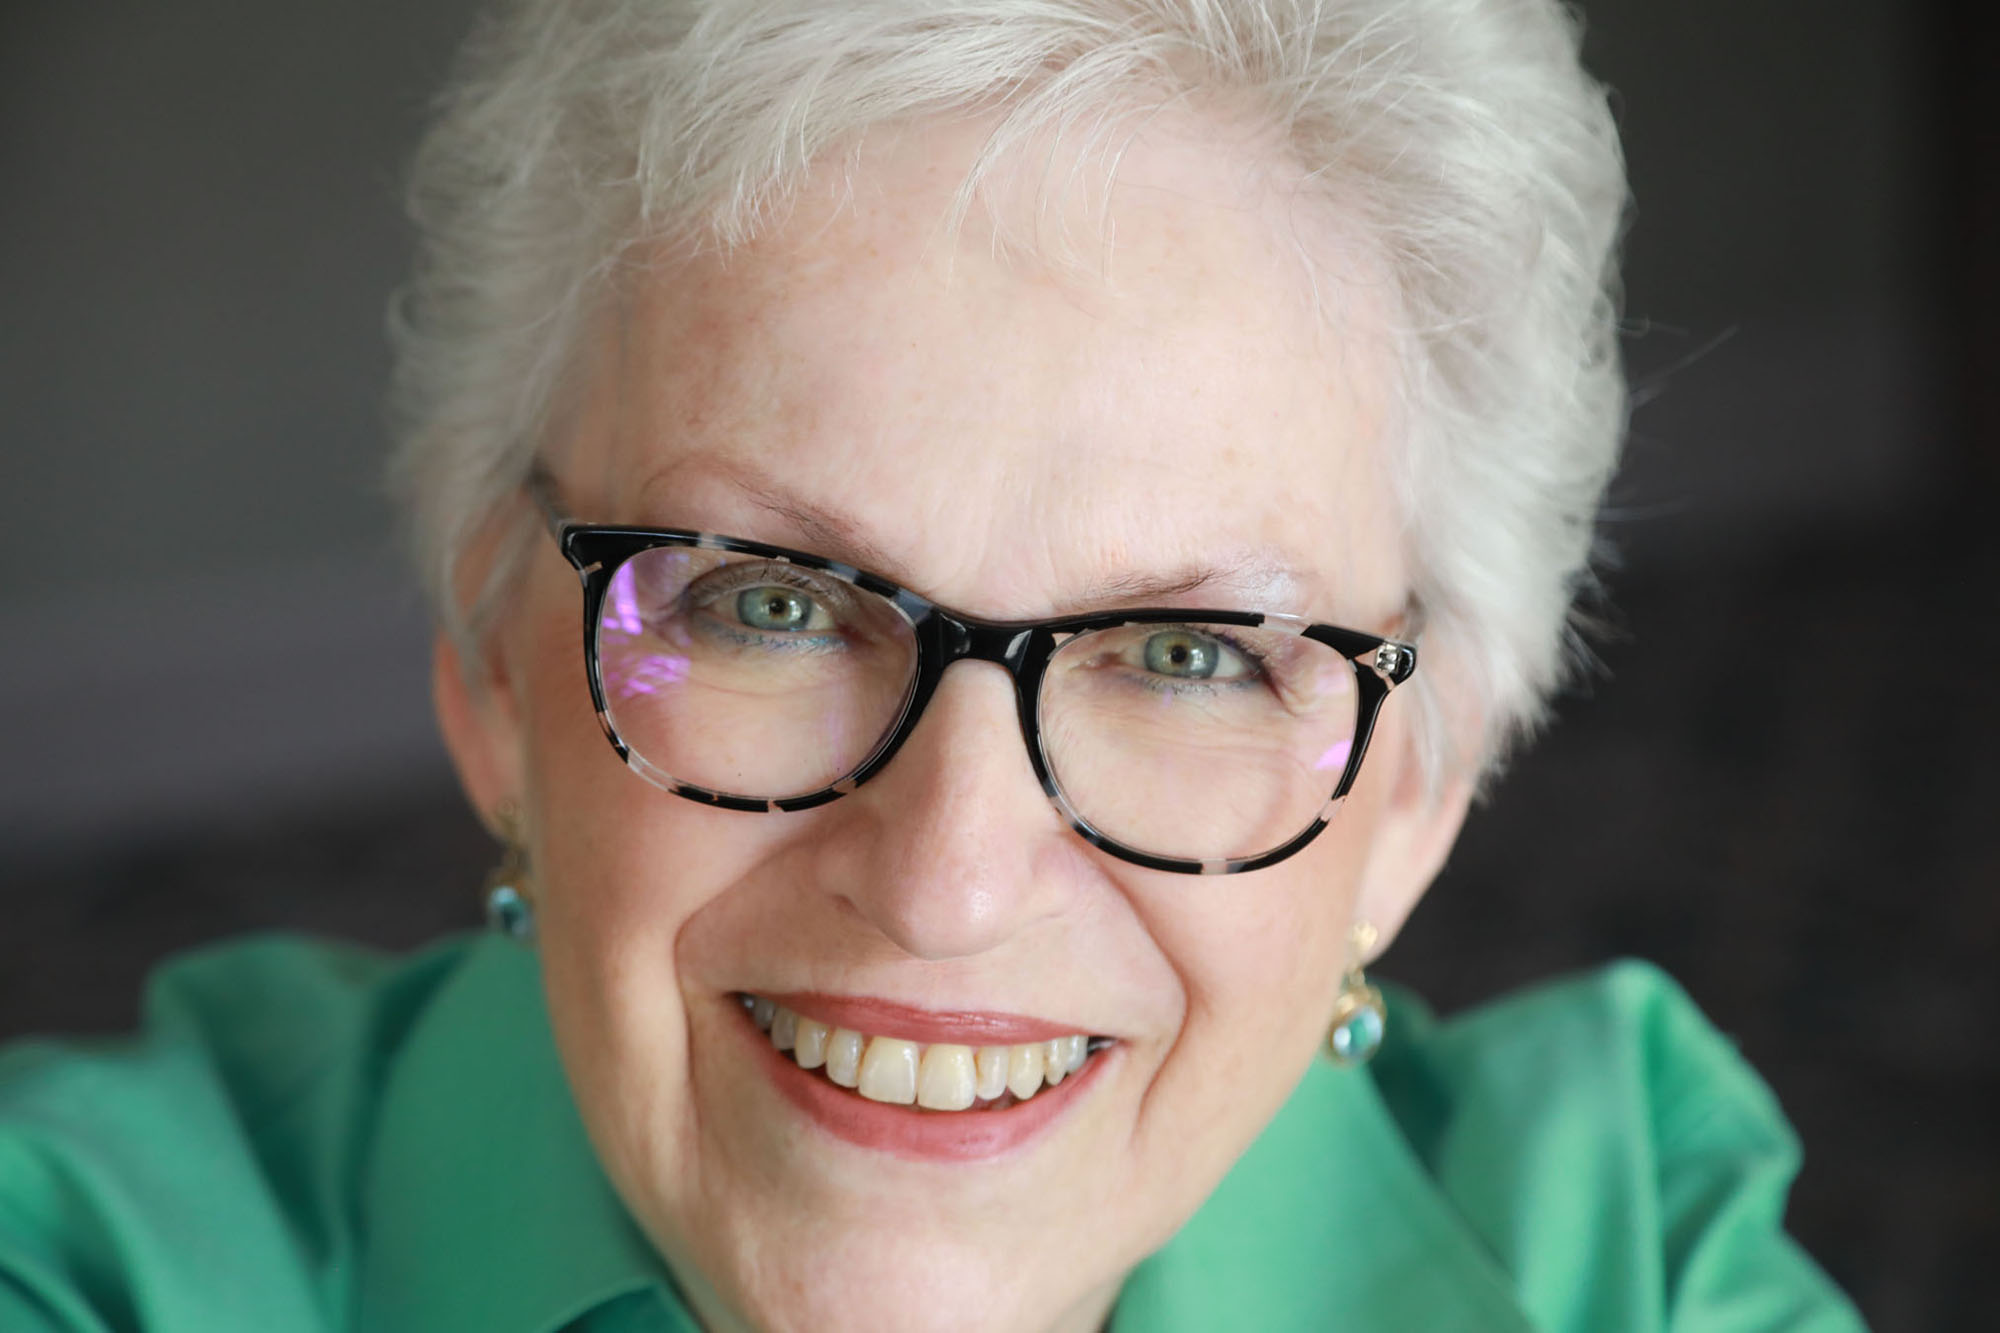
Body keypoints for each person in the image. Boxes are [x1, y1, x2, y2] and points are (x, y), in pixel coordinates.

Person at [0, 2, 1868, 1329]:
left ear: (1417, 790)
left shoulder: (1628, 1260)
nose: (947, 878)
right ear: (496, 664)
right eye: (769, 604)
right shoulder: (83, 1258)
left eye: (1191, 654)